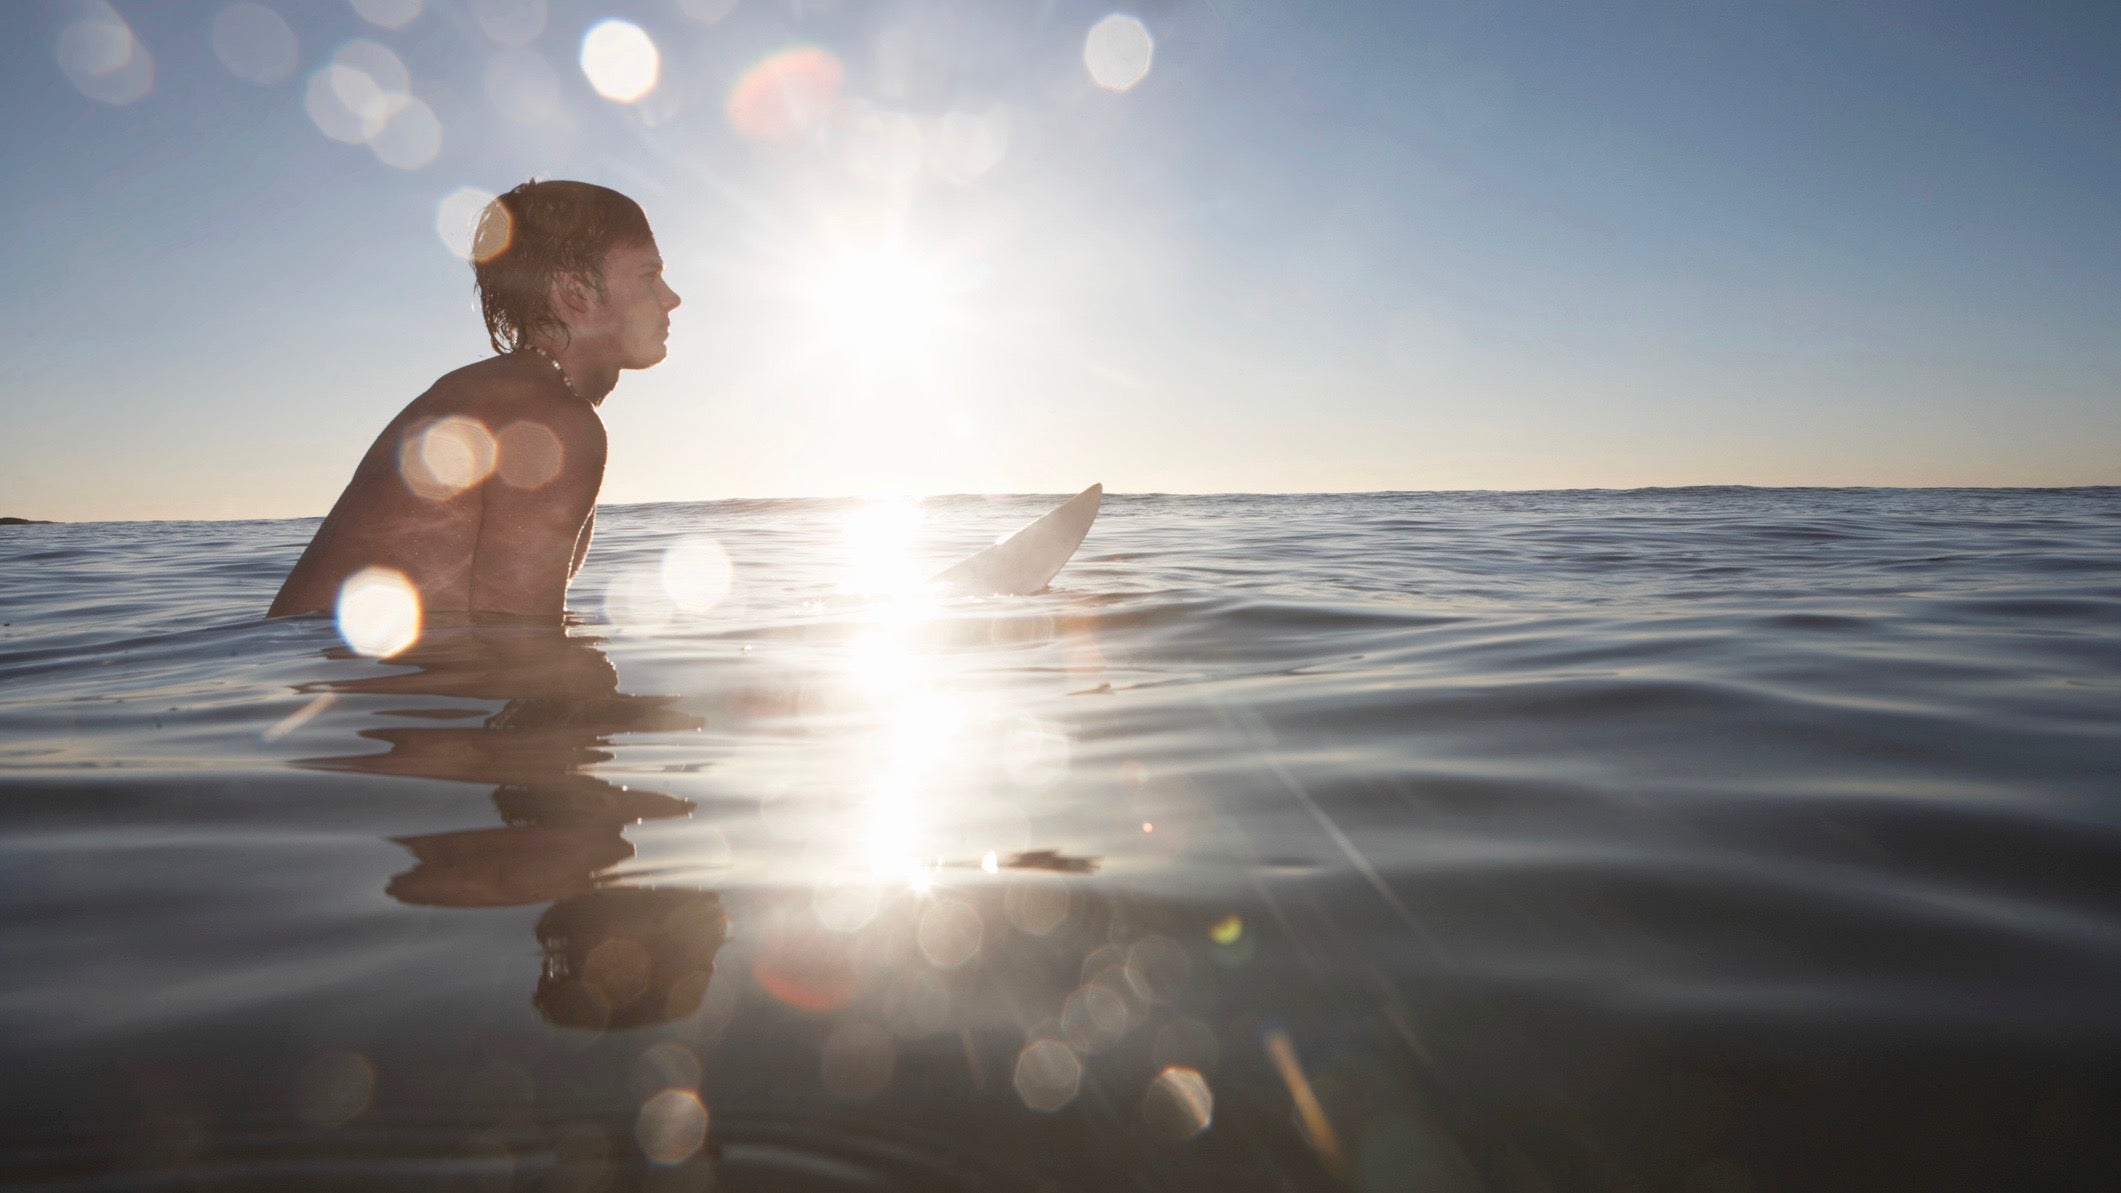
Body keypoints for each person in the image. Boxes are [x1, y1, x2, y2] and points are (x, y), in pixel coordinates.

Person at [268, 180, 680, 621]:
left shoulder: (493, 394)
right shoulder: (549, 419)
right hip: (353, 680)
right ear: (574, 291)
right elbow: (521, 648)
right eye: (649, 276)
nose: (671, 298)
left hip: (309, 674)